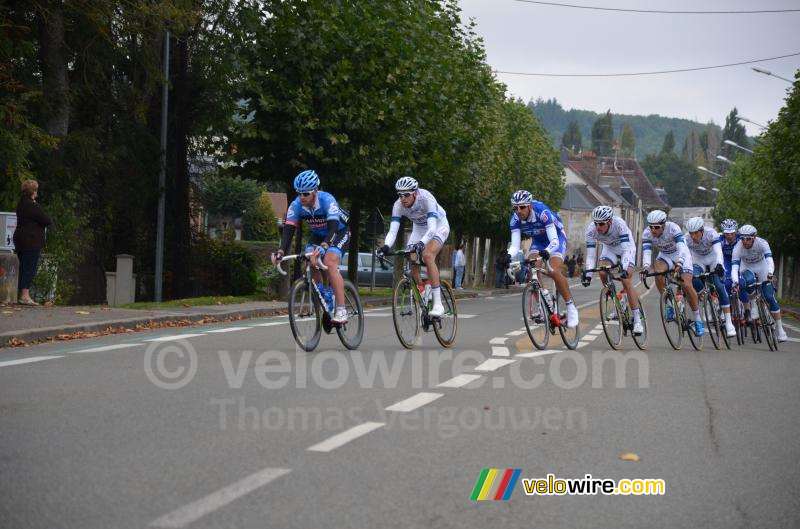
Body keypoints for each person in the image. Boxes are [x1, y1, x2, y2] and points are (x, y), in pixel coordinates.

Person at [271, 170, 351, 323]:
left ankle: (341, 309)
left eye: (306, 194)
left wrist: (325, 246)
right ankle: (324, 294)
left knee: (330, 261)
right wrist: (281, 251)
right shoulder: (296, 205)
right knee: (310, 259)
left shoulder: (327, 199)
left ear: (315, 191)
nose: (302, 197)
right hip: (319, 234)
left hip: (338, 232)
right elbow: (288, 230)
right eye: (299, 193)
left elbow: (333, 226)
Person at [507, 190, 579, 328]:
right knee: (533, 269)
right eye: (515, 208)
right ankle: (543, 302)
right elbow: (515, 245)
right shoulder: (515, 219)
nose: (518, 211)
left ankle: (571, 307)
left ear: (530, 206)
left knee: (554, 271)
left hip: (556, 238)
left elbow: (554, 241)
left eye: (522, 207)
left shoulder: (542, 212)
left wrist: (547, 251)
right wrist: (508, 256)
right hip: (538, 242)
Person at [380, 176, 449, 316]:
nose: (403, 198)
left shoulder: (426, 199)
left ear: (415, 193)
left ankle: (438, 303)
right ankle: (423, 292)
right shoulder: (398, 205)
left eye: (406, 195)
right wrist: (386, 246)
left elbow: (431, 228)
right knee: (411, 257)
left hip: (437, 226)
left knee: (428, 255)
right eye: (400, 195)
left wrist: (422, 244)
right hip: (418, 228)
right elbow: (393, 230)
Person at [639, 210, 704, 336]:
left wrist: (679, 262)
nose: (653, 230)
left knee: (686, 285)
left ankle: (698, 319)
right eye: (651, 226)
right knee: (658, 272)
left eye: (656, 227)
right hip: (665, 256)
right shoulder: (647, 234)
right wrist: (646, 267)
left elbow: (682, 248)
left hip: (681, 256)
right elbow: (647, 252)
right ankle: (669, 304)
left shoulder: (673, 228)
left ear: (663, 225)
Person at [581, 205, 643, 335]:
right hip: (609, 249)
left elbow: (626, 250)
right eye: (596, 223)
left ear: (609, 221)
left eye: (601, 224)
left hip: (627, 249)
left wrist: (625, 268)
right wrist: (588, 274)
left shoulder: (619, 224)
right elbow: (591, 255)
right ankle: (616, 301)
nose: (598, 227)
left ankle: (638, 320)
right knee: (603, 271)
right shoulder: (591, 230)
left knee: (626, 280)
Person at [731, 224, 788, 342]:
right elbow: (735, 268)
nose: (745, 241)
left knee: (769, 297)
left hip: (763, 268)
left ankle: (780, 329)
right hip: (747, 268)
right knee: (748, 281)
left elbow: (769, 260)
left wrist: (770, 273)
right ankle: (754, 305)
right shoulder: (737, 248)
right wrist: (735, 281)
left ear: (754, 238)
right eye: (742, 239)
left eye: (748, 239)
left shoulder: (762, 243)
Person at [684, 217, 736, 338]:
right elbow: (684, 254)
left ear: (702, 230)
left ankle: (729, 323)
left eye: (696, 233)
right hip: (698, 260)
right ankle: (705, 295)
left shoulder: (711, 233)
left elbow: (718, 251)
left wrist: (719, 264)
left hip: (713, 259)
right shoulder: (686, 238)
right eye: (691, 233)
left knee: (719, 285)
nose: (693, 236)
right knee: (692, 278)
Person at [13, 179, 51, 305]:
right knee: (29, 267)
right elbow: (46, 220)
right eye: (36, 191)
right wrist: (36, 203)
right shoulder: (32, 205)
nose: (37, 194)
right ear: (33, 191)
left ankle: (21, 294)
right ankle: (25, 295)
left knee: (23, 267)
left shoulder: (21, 204)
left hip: (20, 239)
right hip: (31, 240)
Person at [719, 219, 751, 322]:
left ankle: (747, 311)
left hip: (740, 260)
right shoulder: (720, 239)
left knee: (741, 284)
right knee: (727, 283)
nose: (729, 236)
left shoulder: (741, 238)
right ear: (723, 232)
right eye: (727, 233)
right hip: (727, 261)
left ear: (736, 232)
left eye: (732, 233)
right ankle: (729, 308)